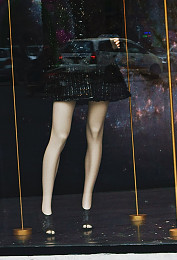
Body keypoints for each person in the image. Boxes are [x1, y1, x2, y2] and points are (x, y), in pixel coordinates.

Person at [39, 0, 130, 235]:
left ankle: (86, 204)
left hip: (99, 62)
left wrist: (113, 42)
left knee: (95, 131)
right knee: (59, 135)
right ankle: (46, 208)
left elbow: (115, 27)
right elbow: (51, 30)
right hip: (67, 63)